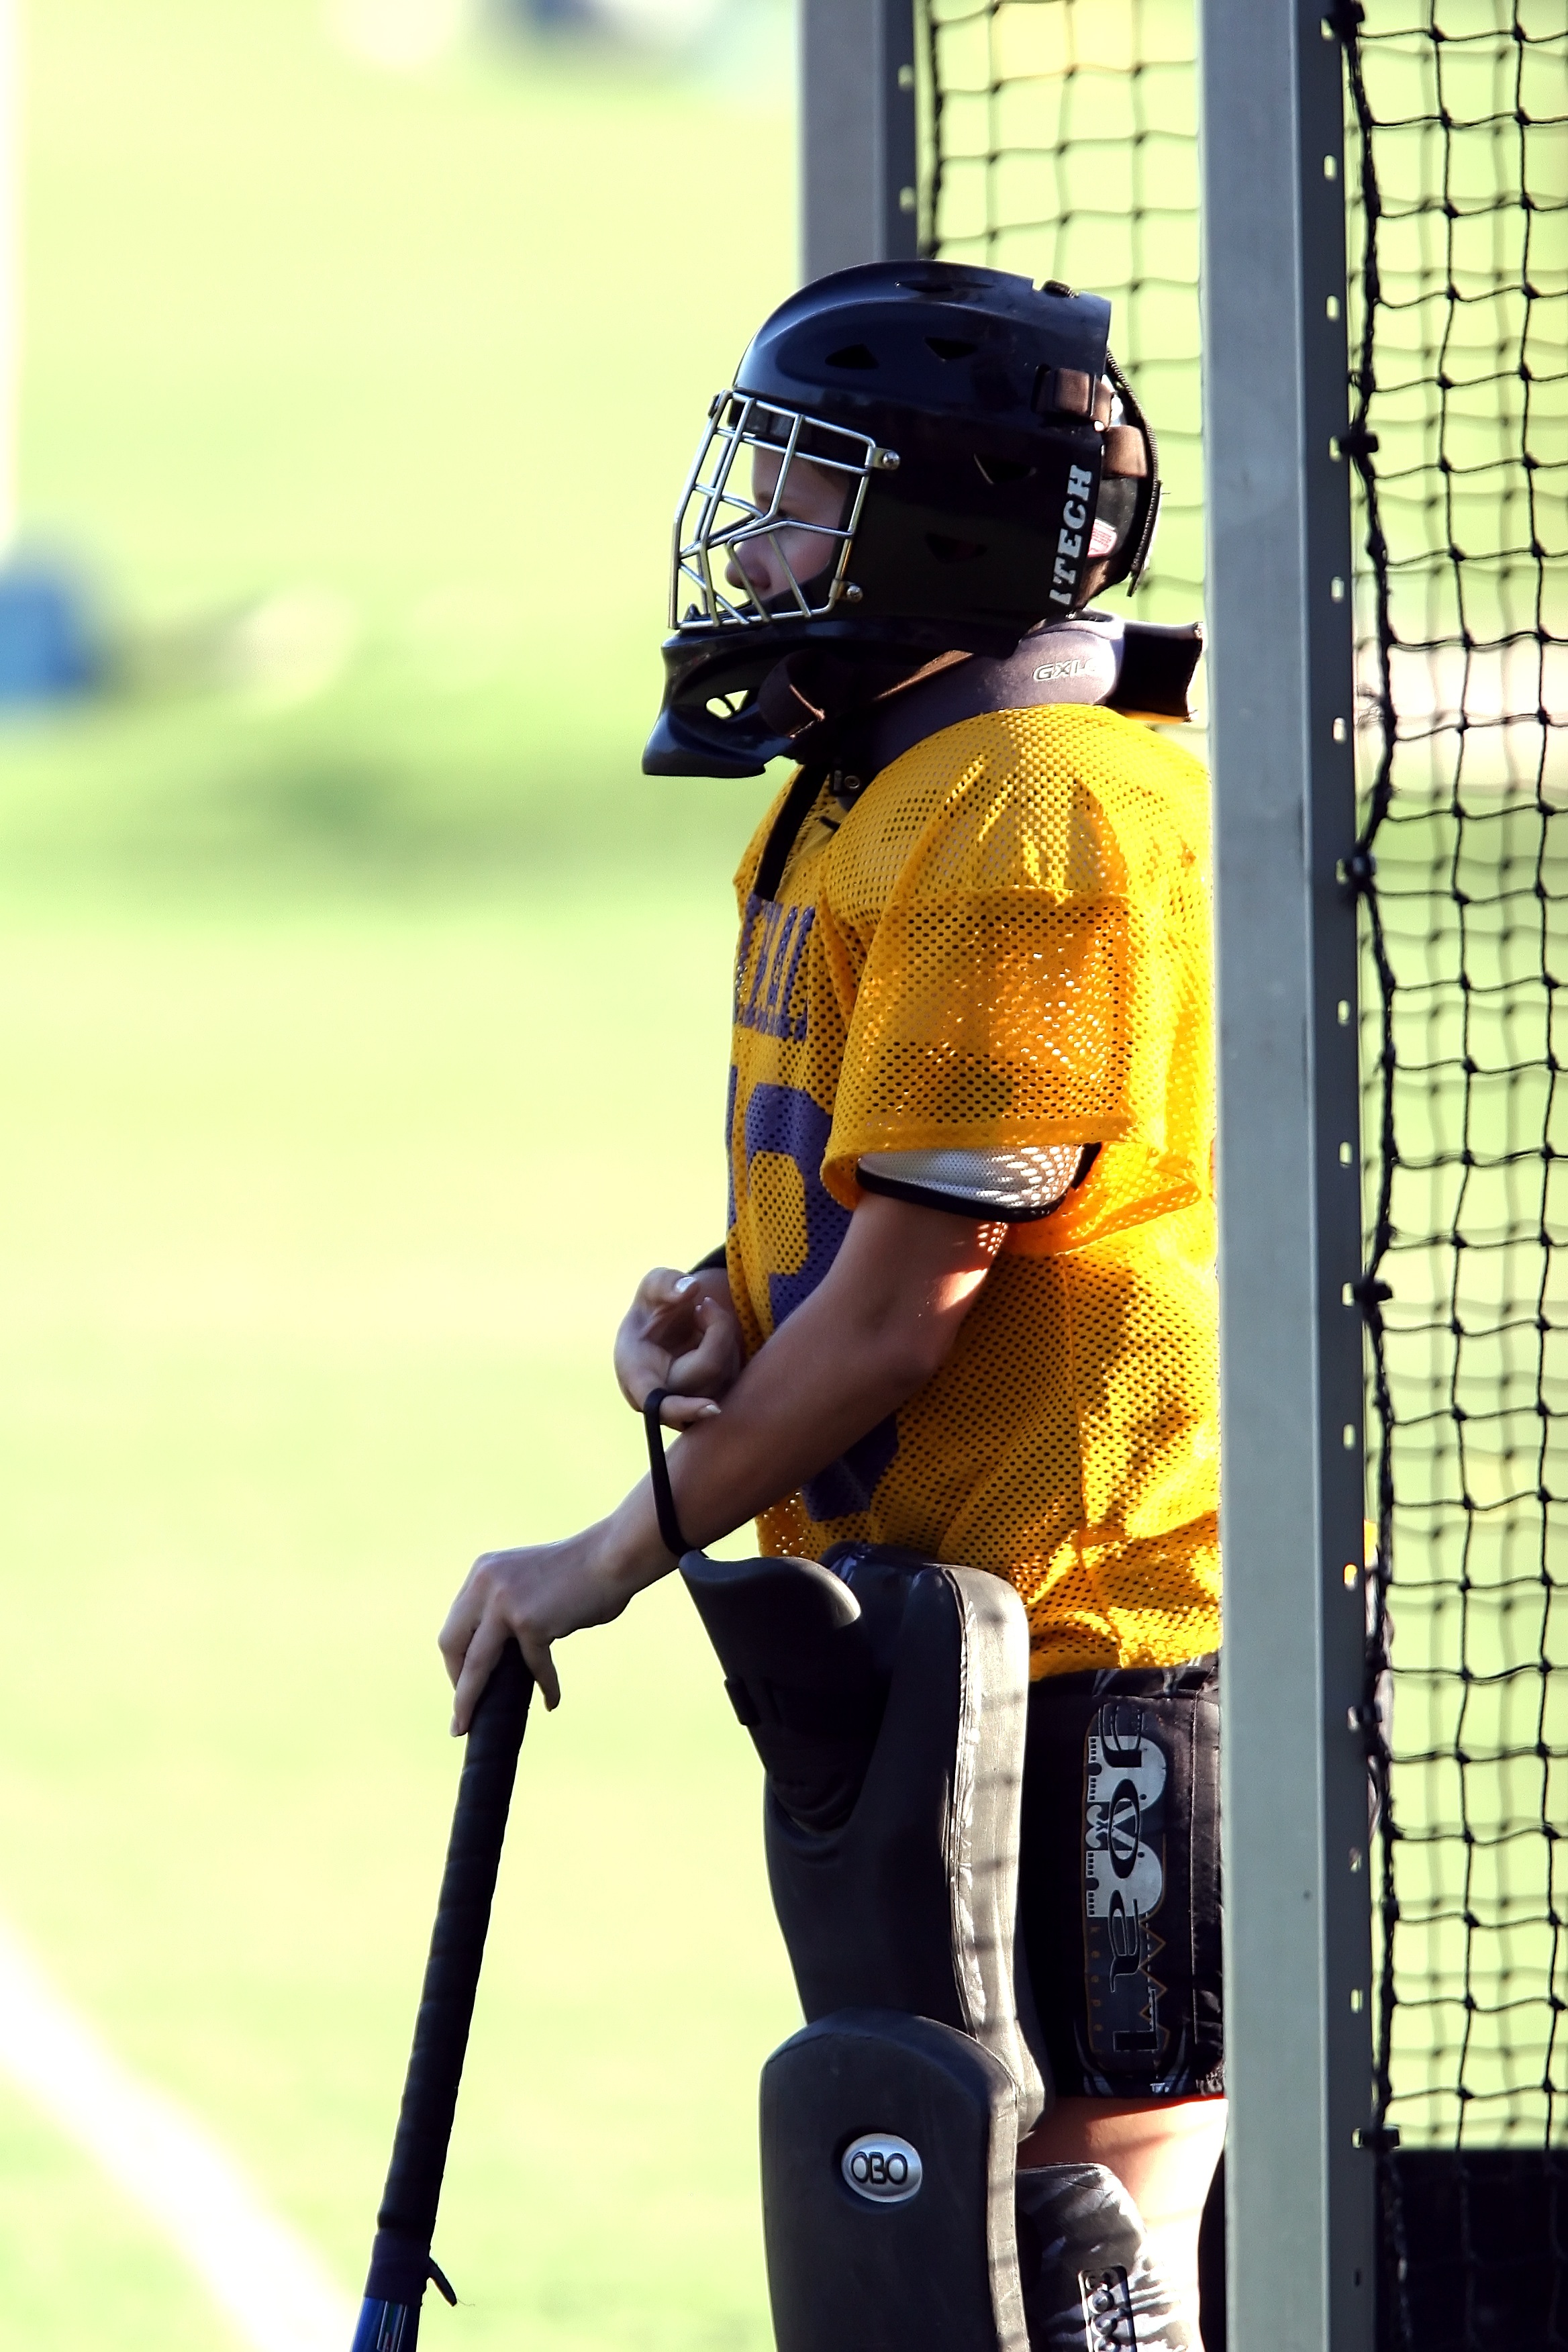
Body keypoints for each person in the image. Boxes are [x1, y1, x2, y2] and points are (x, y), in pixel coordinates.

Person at [440, 260, 1224, 2347]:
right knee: (954, 2222)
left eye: (808, 493)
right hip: (931, 1630)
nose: (756, 539)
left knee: (1074, 2241)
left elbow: (907, 1313)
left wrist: (609, 1551)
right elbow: (882, 1222)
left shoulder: (1035, 809)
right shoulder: (879, 775)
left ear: (946, 528)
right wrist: (726, 1306)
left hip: (1098, 1639)